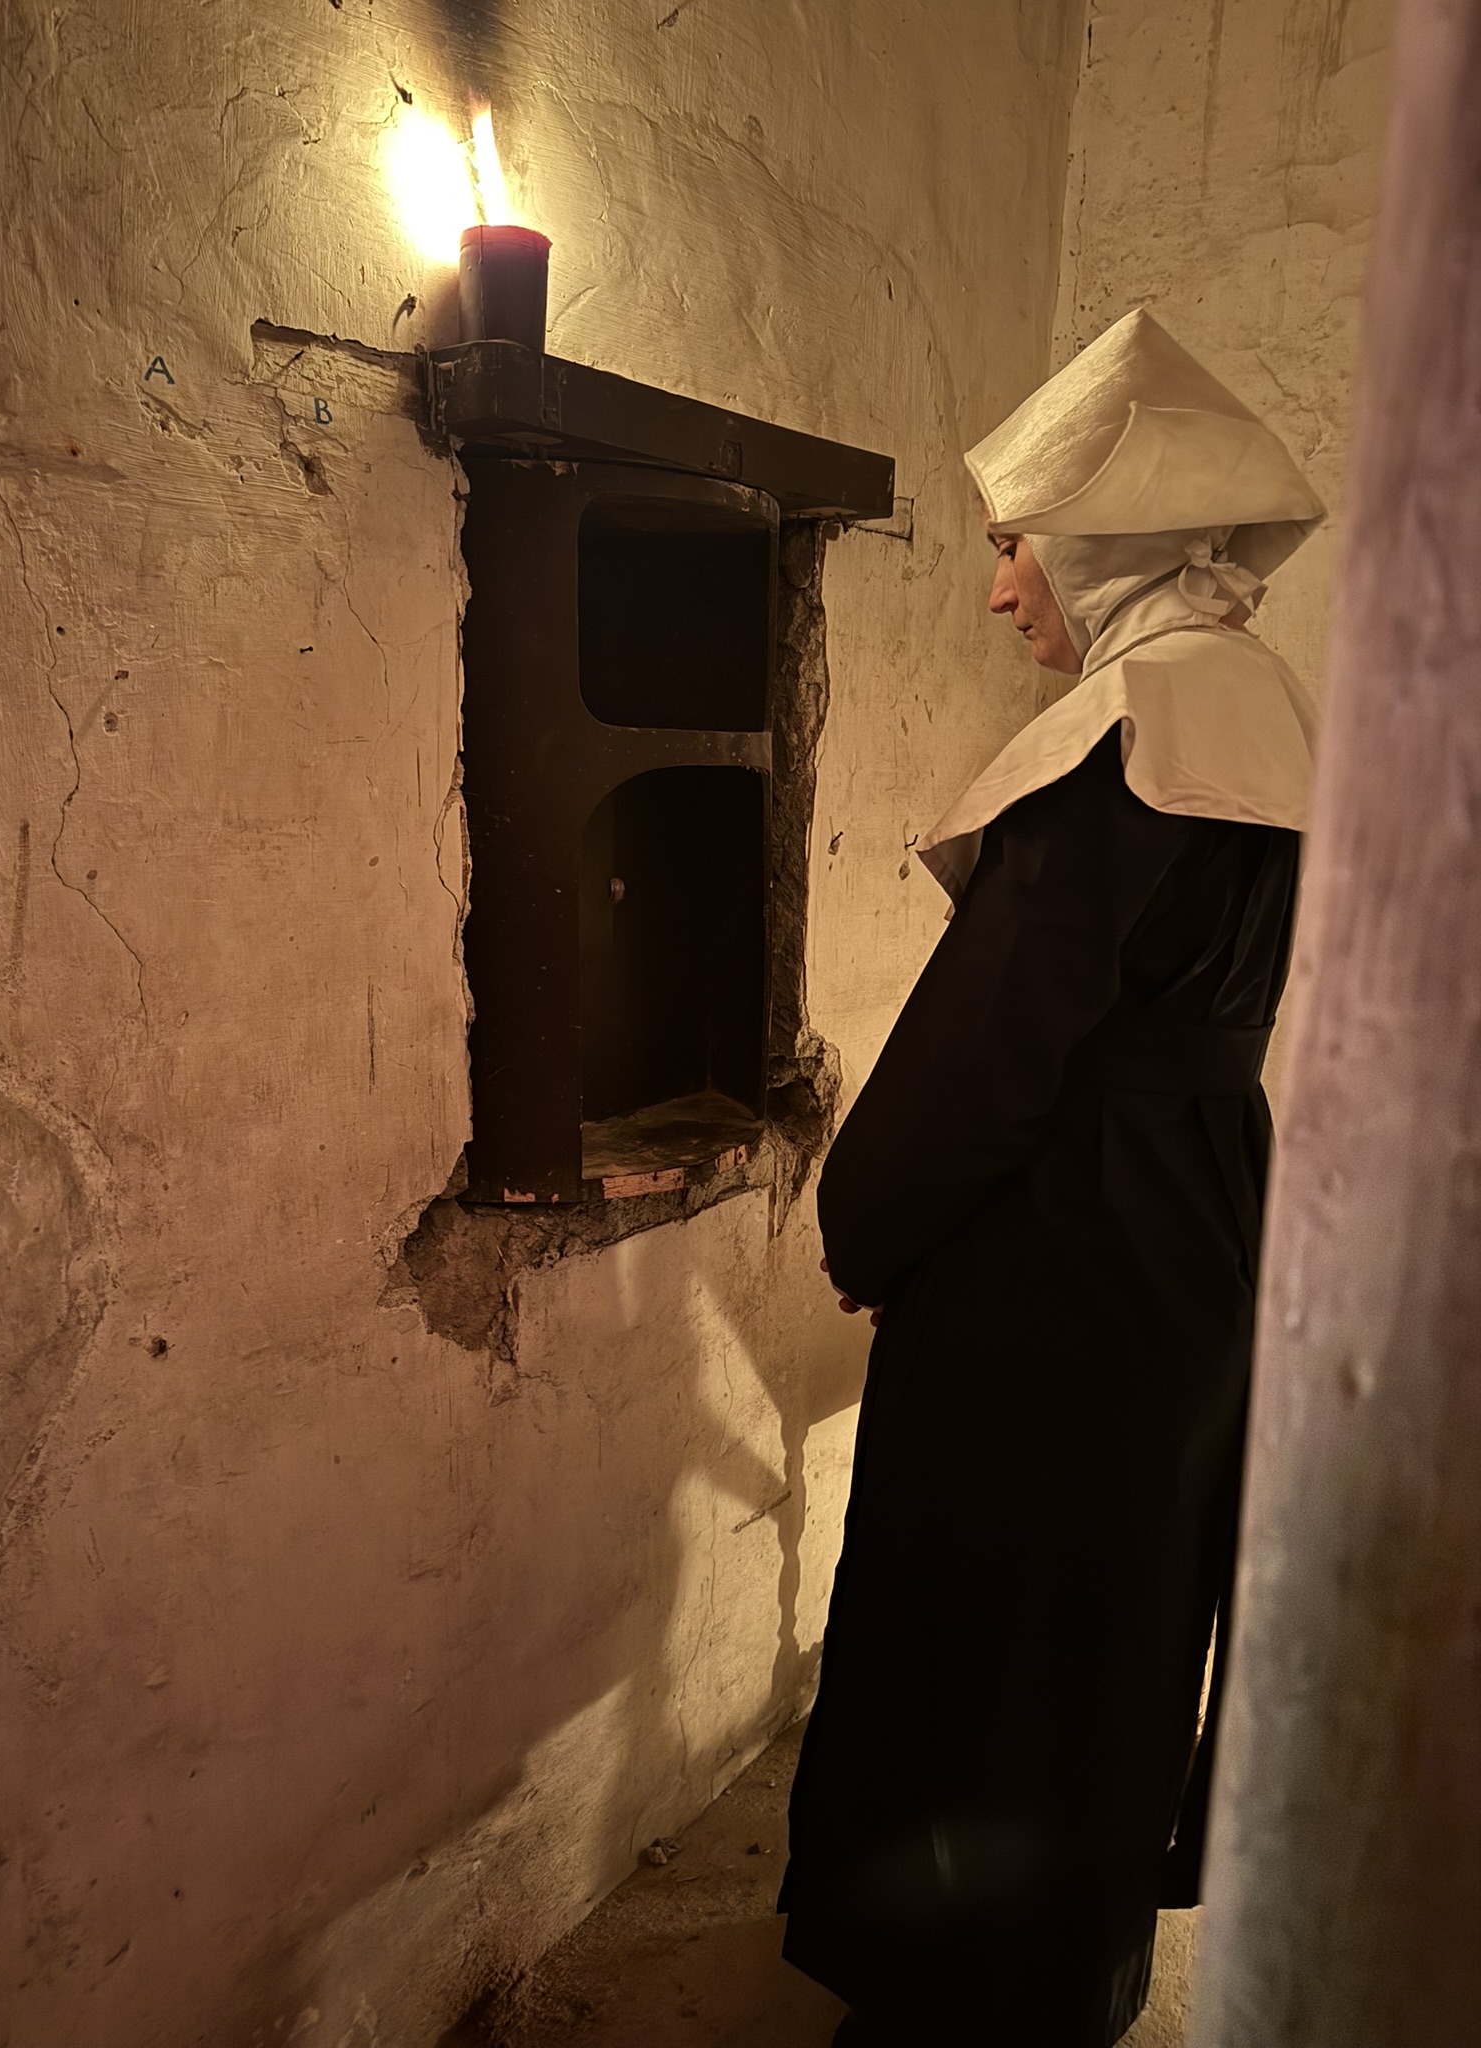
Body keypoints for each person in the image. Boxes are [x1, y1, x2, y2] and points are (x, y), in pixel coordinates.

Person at [778, 309, 1325, 2047]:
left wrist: (864, 1227)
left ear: (1104, 542)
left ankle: (963, 2000)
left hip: (1063, 1252)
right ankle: (1071, 1979)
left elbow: (992, 1047)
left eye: (1017, 543)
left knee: (990, 1619)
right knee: (1118, 1613)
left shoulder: (1131, 732)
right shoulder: (1258, 706)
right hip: (1200, 1219)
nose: (1002, 589)